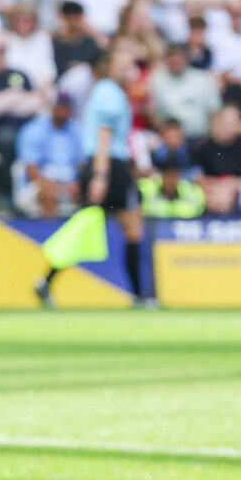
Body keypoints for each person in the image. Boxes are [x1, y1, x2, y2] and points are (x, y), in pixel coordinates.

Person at [33, 46, 149, 306]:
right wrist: (101, 174)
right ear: (108, 66)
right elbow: (104, 135)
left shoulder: (106, 92)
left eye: (130, 64)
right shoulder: (109, 93)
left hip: (104, 165)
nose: (127, 70)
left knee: (88, 226)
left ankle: (47, 279)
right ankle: (140, 295)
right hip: (109, 165)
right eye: (121, 64)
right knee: (131, 227)